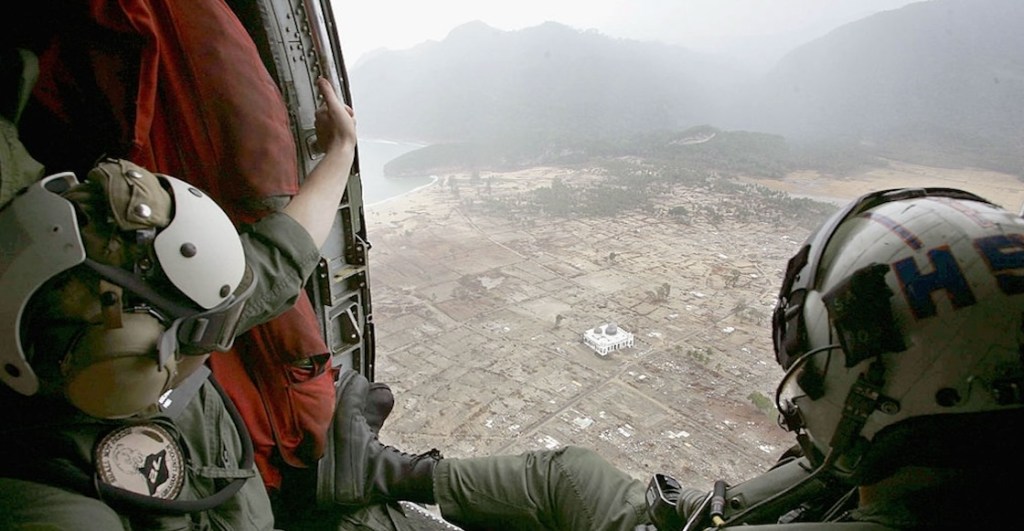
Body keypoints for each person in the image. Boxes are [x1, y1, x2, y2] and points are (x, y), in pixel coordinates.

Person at [322, 187, 1024, 530]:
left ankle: (374, 477)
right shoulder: (927, 483)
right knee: (571, 474)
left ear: (870, 385)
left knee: (552, 478)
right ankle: (383, 469)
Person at [0, 74, 359, 529]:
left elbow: (278, 259)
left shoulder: (146, 301)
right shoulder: (47, 502)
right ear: (126, 352)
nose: (219, 338)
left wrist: (340, 151)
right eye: (205, 329)